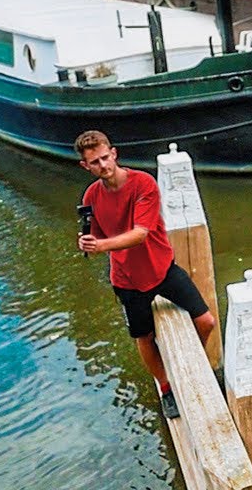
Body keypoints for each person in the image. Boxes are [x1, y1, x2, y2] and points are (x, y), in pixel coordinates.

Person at [74, 131, 216, 418]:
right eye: (95, 162)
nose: (103, 165)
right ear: (85, 166)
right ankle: (165, 387)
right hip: (127, 279)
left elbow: (140, 234)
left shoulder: (143, 183)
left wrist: (102, 246)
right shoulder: (91, 195)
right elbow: (96, 236)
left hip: (162, 268)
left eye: (105, 157)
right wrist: (88, 242)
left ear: (114, 153)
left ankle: (188, 362)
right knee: (144, 337)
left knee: (207, 321)